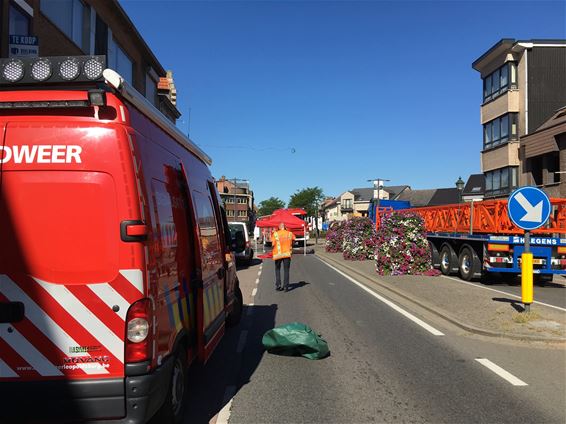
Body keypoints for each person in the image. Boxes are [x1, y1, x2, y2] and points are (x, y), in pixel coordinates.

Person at [271, 222, 296, 292]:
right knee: (286, 270)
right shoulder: (290, 233)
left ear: (278, 227)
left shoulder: (275, 234)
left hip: (278, 254)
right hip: (287, 254)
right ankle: (286, 286)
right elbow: (294, 241)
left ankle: (278, 285)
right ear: (285, 227)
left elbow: (272, 244)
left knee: (277, 269)